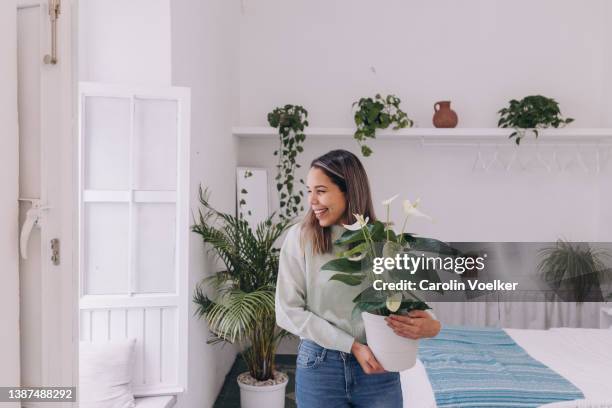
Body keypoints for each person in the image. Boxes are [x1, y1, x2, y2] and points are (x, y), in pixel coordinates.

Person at [275, 149, 441, 408]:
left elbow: (414, 300)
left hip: (379, 366)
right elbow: (287, 311)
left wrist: (432, 326)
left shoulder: (384, 239)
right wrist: (352, 346)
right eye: (309, 191)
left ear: (348, 190)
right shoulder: (300, 238)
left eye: (320, 191)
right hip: (320, 366)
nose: (312, 201)